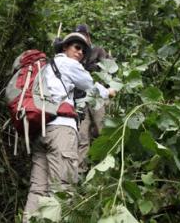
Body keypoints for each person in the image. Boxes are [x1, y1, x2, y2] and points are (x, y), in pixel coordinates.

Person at [23, 32, 115, 222]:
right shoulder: (68, 64)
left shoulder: (47, 67)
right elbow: (90, 86)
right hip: (61, 132)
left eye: (83, 50)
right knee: (62, 190)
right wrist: (109, 92)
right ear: (65, 47)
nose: (80, 52)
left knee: (38, 189)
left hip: (41, 131)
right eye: (76, 47)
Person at [73, 24, 113, 173]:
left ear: (89, 37)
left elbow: (109, 71)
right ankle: (80, 172)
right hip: (81, 99)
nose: (83, 38)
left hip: (98, 95)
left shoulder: (98, 51)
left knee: (101, 131)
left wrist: (108, 92)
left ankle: (103, 170)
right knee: (82, 135)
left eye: (85, 35)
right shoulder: (76, 53)